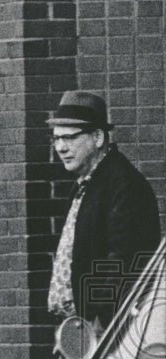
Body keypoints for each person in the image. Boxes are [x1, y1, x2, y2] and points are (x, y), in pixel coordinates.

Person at [46, 90, 161, 332]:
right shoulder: (87, 183)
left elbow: (123, 263)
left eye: (69, 138)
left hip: (107, 331)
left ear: (97, 137)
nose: (60, 147)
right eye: (56, 139)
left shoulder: (124, 186)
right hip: (83, 327)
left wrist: (97, 323)